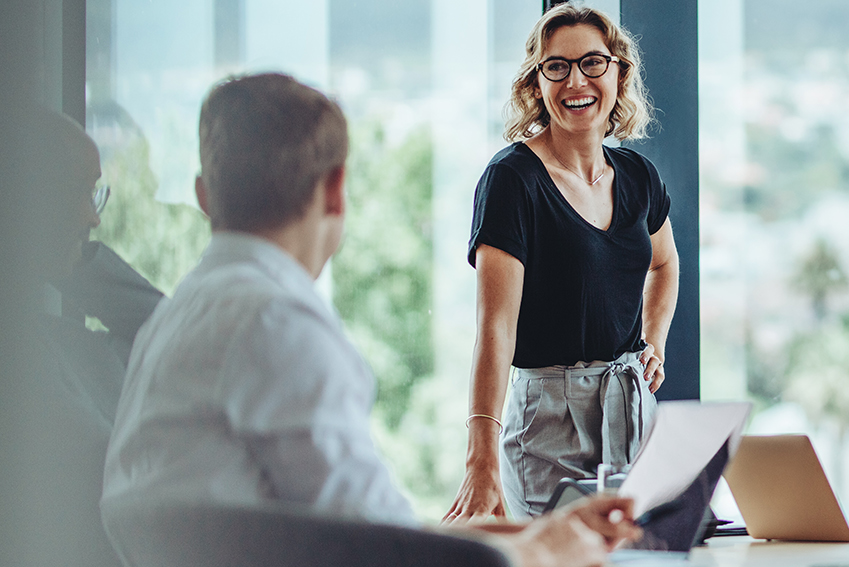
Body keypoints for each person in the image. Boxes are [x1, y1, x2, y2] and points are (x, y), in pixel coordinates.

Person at [99, 73, 637, 567]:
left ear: (204, 196)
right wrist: (540, 554)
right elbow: (384, 555)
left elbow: (372, 529)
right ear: (336, 192)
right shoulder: (277, 325)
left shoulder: (174, 319)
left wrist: (531, 533)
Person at [447, 4, 679, 521]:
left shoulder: (639, 176)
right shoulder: (512, 180)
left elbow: (664, 265)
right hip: (549, 419)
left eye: (593, 62)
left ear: (619, 72)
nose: (576, 80)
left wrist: (654, 341)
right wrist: (479, 457)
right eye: (557, 66)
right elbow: (495, 328)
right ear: (536, 82)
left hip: (632, 409)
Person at [0, 106, 161, 567]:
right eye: (79, 194)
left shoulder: (59, 339)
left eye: (96, 195)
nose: (94, 219)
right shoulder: (23, 355)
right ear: (22, 195)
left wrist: (73, 261)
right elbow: (111, 477)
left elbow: (166, 334)